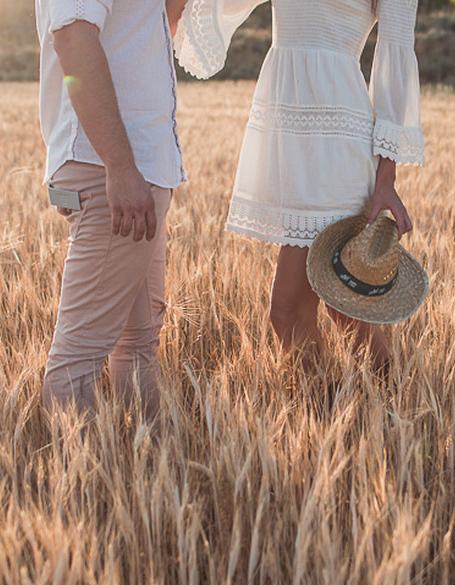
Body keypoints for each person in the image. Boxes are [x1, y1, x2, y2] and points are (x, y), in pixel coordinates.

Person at [174, 0, 424, 370]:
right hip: (287, 137)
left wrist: (386, 178)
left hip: (337, 142)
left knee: (300, 313)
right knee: (339, 314)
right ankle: (359, 417)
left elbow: (395, 60)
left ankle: (364, 414)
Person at [35, 0, 188, 422]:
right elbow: (74, 36)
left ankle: (152, 479)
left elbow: (148, 32)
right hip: (112, 170)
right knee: (78, 356)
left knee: (137, 347)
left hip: (137, 170)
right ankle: (78, 486)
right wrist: (120, 167)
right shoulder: (118, 168)